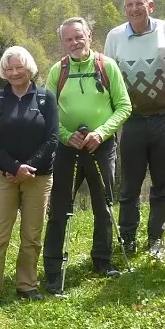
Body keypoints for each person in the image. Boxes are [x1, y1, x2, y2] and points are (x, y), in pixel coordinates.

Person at [41, 17, 132, 293]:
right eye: (68, 39)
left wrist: (101, 133)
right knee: (59, 207)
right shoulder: (58, 71)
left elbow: (124, 106)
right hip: (68, 149)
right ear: (62, 42)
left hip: (101, 147)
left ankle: (103, 260)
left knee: (104, 206)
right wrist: (66, 136)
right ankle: (53, 268)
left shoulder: (107, 66)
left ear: (90, 36)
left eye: (79, 37)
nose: (75, 42)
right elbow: (47, 113)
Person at [104, 0, 165, 258]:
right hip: (130, 120)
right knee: (130, 184)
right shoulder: (114, 37)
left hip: (164, 117)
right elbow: (107, 81)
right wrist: (107, 121)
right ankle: (128, 237)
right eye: (129, 4)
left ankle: (156, 238)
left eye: (139, 3)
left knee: (163, 183)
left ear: (150, 6)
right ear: (125, 8)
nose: (134, 9)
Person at [0, 47, 59, 308]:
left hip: (38, 177)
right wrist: (13, 167)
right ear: (3, 72)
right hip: (4, 176)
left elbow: (52, 138)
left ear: (29, 67)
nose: (14, 73)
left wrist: (27, 167)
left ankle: (27, 286)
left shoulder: (46, 98)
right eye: (8, 69)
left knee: (31, 236)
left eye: (19, 67)